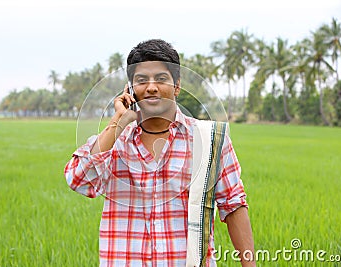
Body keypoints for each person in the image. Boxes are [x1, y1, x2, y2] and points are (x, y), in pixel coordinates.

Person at [64, 39, 255, 266]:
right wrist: (119, 120)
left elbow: (233, 206)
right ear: (130, 89)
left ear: (177, 86)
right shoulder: (115, 143)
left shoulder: (210, 139)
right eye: (141, 80)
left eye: (161, 79)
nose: (151, 87)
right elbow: (78, 179)